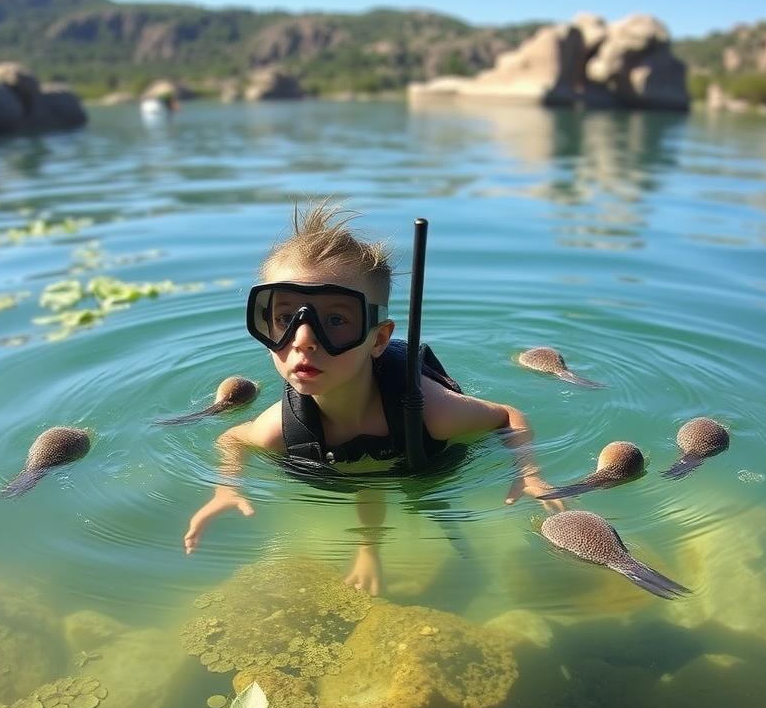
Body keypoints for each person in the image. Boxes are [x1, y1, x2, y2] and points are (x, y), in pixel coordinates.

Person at [183, 203, 562, 593]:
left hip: (419, 445)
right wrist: (227, 487)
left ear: (378, 339)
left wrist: (528, 473)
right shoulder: (281, 427)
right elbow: (231, 438)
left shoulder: (433, 411)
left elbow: (507, 416)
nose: (302, 340)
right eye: (283, 319)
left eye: (335, 320)